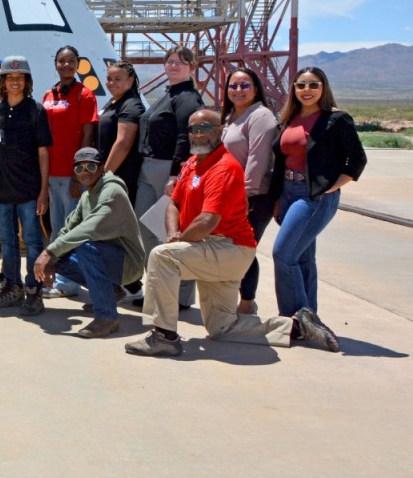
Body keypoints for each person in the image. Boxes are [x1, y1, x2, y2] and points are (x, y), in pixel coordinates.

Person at [125, 109, 341, 358]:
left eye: (205, 128)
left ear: (220, 132)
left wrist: (178, 243)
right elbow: (173, 203)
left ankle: (164, 336)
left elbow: (208, 221)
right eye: (193, 129)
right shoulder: (192, 164)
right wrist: (174, 234)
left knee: (163, 256)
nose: (198, 134)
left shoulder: (224, 167)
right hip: (209, 248)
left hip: (229, 249)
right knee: (222, 328)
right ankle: (297, 326)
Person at [269, 67, 367, 317]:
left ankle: (296, 319)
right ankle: (308, 314)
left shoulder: (336, 119)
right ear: (294, 89)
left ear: (324, 88)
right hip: (289, 192)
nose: (307, 90)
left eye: (313, 85)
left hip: (313, 195)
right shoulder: (289, 118)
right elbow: (282, 160)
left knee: (283, 254)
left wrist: (331, 188)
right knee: (301, 258)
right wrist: (279, 197)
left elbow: (357, 159)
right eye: (301, 85)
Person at [32, 148, 145, 338]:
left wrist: (49, 252)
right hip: (108, 259)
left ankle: (107, 317)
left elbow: (89, 229)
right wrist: (50, 257)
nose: (85, 172)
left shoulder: (112, 192)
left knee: (84, 246)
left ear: (101, 168)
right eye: (79, 168)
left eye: (91, 166)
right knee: (60, 256)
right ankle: (110, 291)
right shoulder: (87, 196)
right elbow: (68, 228)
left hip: (128, 264)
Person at [132, 45, 204, 307]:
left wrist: (176, 175)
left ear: (191, 68)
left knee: (172, 234)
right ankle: (158, 289)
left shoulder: (188, 98)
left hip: (168, 170)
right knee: (147, 229)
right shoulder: (168, 94)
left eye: (181, 63)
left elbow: (186, 138)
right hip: (148, 167)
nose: (174, 66)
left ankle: (181, 296)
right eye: (170, 61)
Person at [0, 55, 52, 315]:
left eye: (19, 77)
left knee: (32, 242)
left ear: (27, 81)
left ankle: (34, 292)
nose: (15, 82)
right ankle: (12, 287)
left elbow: (44, 152)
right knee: (7, 241)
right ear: (2, 81)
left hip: (29, 190)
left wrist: (43, 191)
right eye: (10, 78)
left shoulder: (36, 110)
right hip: (1, 190)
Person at [41, 45, 98, 298]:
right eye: (61, 61)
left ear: (77, 64)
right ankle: (57, 277)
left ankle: (69, 282)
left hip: (71, 175)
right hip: (51, 174)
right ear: (55, 63)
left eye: (70, 61)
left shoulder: (84, 95)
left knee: (72, 230)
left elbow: (88, 133)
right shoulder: (48, 95)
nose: (65, 65)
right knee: (56, 229)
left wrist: (80, 173)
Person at [220, 66, 278, 314]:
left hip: (251, 197)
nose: (238, 90)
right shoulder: (231, 116)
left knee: (244, 250)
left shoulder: (260, 116)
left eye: (245, 85)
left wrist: (245, 196)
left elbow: (258, 159)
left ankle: (246, 304)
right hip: (229, 196)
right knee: (230, 248)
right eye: (233, 85)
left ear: (256, 89)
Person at [96, 60, 144, 207]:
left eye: (117, 79)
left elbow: (123, 143)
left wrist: (105, 176)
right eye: (109, 79)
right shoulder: (113, 101)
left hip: (119, 177)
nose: (111, 83)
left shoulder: (131, 105)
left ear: (130, 81)